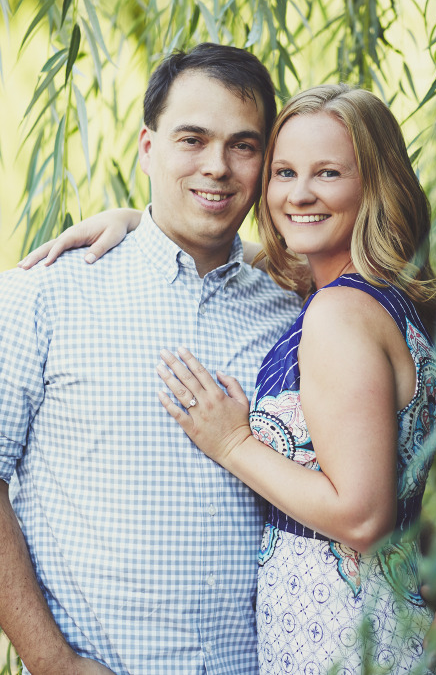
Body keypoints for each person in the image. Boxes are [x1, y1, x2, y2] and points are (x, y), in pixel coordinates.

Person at [0, 44, 301, 675]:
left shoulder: (299, 315)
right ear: (147, 147)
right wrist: (52, 662)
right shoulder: (42, 295)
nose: (217, 166)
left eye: (244, 145)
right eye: (192, 138)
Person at [152, 84, 436, 674]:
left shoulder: (339, 315)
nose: (299, 193)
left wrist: (232, 443)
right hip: (380, 624)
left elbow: (363, 516)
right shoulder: (383, 299)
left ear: (375, 186)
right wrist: (142, 225)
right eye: (284, 172)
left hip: (337, 639)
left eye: (329, 173)